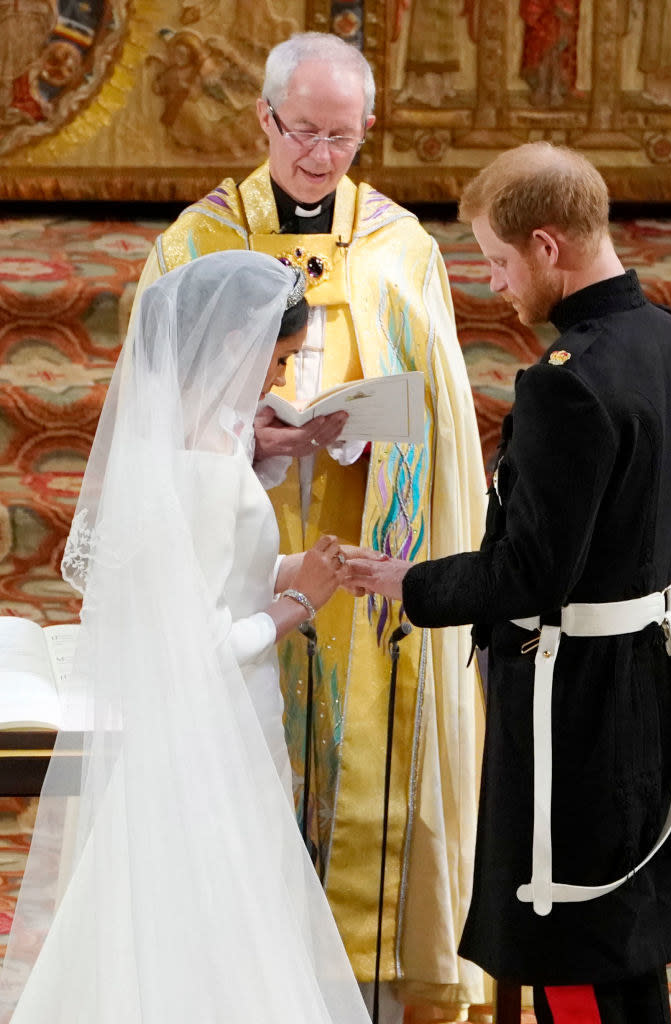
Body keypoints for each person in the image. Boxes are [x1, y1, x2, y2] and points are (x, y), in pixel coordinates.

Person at [133, 29, 487, 1019]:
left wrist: (382, 450)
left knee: (365, 772)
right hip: (234, 559)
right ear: (263, 119)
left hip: (362, 560)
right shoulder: (197, 245)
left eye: (342, 136)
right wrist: (247, 445)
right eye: (303, 133)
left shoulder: (399, 249)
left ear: (365, 127)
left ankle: (372, 977)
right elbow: (150, 430)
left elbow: (442, 421)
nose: (321, 156)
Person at [348, 142, 671, 1023]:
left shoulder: (567, 384)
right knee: (622, 944)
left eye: (499, 260)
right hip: (644, 679)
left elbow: (528, 573)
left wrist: (410, 583)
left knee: (571, 939)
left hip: (571, 702)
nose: (493, 284)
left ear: (548, 247)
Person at [0, 250, 372, 1024]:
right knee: (216, 924)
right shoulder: (203, 457)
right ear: (233, 344)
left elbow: (203, 576)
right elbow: (192, 647)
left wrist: (284, 568)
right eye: (274, 360)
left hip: (215, 722)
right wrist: (297, 606)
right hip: (213, 727)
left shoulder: (186, 438)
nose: (276, 381)